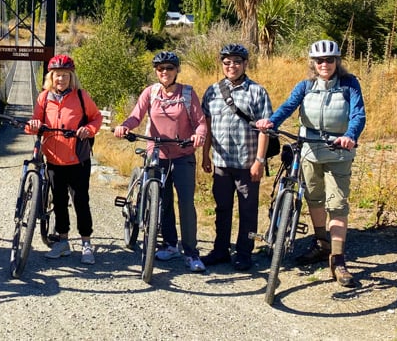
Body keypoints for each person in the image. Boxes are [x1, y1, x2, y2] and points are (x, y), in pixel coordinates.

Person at [256, 40, 365, 287]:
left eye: (329, 60)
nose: (324, 64)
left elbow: (359, 114)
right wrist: (271, 122)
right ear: (313, 64)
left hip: (338, 153)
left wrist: (350, 135)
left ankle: (338, 260)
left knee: (337, 205)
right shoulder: (305, 86)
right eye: (319, 61)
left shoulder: (349, 85)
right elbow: (288, 107)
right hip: (309, 151)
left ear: (337, 61)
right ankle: (321, 244)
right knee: (314, 198)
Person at [114, 51, 208, 272]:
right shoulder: (151, 92)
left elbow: (200, 122)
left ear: (177, 70)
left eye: (169, 68)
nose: (164, 72)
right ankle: (169, 244)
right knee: (162, 201)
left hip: (183, 153)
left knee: (186, 203)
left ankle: (191, 252)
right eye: (160, 69)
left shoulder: (187, 93)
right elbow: (136, 115)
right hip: (156, 152)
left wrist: (199, 135)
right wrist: (124, 125)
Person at [200, 44, 273, 271]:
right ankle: (220, 250)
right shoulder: (212, 91)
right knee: (222, 209)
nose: (232, 66)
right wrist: (205, 156)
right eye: (227, 62)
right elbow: (208, 125)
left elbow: (266, 129)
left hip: (247, 163)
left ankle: (244, 253)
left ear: (245, 64)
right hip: (221, 162)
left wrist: (259, 161)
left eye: (236, 62)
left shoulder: (257, 91)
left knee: (248, 211)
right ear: (221, 64)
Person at [26, 54, 103, 265]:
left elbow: (97, 118)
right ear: (51, 77)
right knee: (59, 200)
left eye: (65, 75)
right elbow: (35, 121)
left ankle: (86, 243)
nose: (61, 79)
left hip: (78, 157)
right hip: (53, 157)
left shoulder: (81, 96)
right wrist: (33, 126)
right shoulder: (44, 97)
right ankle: (63, 242)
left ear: (72, 77)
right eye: (57, 75)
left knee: (81, 200)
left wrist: (88, 129)